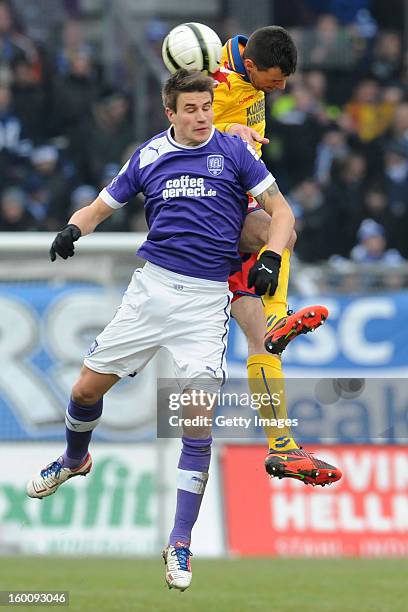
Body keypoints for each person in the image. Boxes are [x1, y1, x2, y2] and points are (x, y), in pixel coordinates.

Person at [26, 69, 296, 591]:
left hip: (203, 304)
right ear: (169, 113)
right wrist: (72, 229)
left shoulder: (233, 154)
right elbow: (102, 206)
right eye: (190, 110)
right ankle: (73, 459)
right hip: (150, 292)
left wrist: (268, 256)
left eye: (206, 107)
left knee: (196, 420)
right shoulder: (149, 156)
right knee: (84, 390)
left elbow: (282, 213)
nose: (201, 117)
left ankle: (179, 543)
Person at [213, 26, 341, 485]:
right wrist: (229, 128)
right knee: (278, 230)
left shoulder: (252, 68)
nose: (281, 88)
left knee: (260, 342)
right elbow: (178, 127)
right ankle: (276, 317)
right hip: (207, 210)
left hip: (236, 199)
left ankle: (282, 448)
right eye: (274, 79)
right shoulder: (214, 78)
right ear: (249, 66)